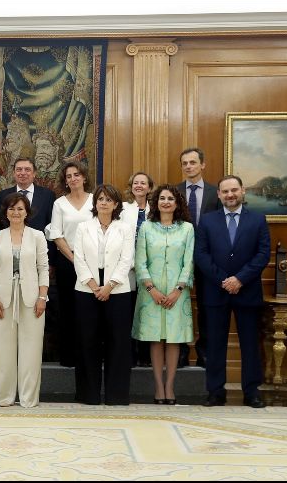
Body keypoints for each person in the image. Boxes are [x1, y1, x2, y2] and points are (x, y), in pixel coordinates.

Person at [195, 175, 270, 409]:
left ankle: (251, 392)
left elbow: (262, 255)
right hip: (215, 291)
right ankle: (216, 392)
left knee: (250, 343)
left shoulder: (258, 220)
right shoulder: (207, 221)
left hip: (247, 291)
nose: (230, 195)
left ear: (243, 191)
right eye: (225, 191)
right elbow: (201, 255)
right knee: (215, 344)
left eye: (234, 190)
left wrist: (239, 279)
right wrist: (224, 280)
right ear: (218, 194)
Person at [72, 184, 135, 405]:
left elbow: (126, 259)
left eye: (109, 199)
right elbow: (78, 258)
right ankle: (88, 395)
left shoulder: (124, 228)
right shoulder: (83, 227)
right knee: (87, 342)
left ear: (116, 204)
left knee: (117, 343)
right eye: (100, 199)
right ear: (95, 203)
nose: (104, 203)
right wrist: (93, 284)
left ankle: (116, 395)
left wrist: (109, 286)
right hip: (86, 290)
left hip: (117, 291)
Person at [132, 185, 194, 405]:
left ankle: (170, 386)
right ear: (155, 203)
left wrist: (178, 290)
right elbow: (140, 261)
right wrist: (152, 289)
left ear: (177, 204)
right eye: (161, 198)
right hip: (151, 294)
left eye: (170, 199)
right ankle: (159, 387)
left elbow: (189, 262)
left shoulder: (187, 229)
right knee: (156, 340)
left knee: (174, 340)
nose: (166, 202)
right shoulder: (147, 228)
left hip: (178, 294)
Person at [0, 193, 49, 407]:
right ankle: (2, 396)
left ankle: (28, 397)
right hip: (2, 299)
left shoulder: (37, 236)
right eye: (12, 209)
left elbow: (43, 269)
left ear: (27, 212)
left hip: (32, 298)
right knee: (2, 350)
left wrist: (43, 297)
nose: (16, 212)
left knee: (31, 350)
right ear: (6, 212)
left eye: (20, 209)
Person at [177, 147, 221, 368]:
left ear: (202, 165)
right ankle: (181, 354)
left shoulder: (216, 193)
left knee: (206, 306)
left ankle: (204, 354)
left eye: (192, 162)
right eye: (185, 163)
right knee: (180, 307)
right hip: (179, 259)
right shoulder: (174, 192)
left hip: (208, 259)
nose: (188, 167)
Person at [48, 161, 93, 368]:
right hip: (68, 262)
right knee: (67, 309)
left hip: (93, 261)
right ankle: (68, 357)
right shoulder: (60, 204)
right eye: (69, 176)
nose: (73, 179)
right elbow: (56, 234)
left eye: (77, 174)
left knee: (89, 310)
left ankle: (88, 356)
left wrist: (84, 262)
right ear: (65, 181)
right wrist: (75, 260)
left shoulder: (95, 201)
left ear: (84, 177)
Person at [119, 171, 154, 367]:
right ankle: (130, 355)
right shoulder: (123, 209)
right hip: (129, 269)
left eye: (143, 183)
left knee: (148, 312)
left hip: (151, 270)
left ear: (149, 187)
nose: (139, 186)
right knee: (130, 312)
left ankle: (146, 356)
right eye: (135, 183)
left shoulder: (156, 210)